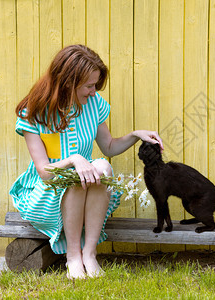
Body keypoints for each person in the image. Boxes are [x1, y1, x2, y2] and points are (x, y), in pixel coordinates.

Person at [9, 44, 163, 279]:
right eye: (89, 86)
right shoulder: (34, 112)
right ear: (68, 82)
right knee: (77, 178)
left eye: (95, 86)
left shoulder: (94, 103)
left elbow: (109, 146)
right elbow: (44, 172)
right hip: (45, 192)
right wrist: (72, 160)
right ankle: (73, 256)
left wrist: (135, 135)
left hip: (88, 187)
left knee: (101, 166)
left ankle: (89, 254)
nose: (94, 92)